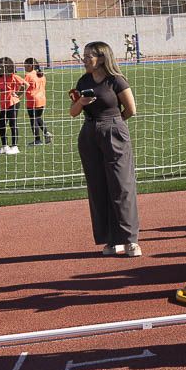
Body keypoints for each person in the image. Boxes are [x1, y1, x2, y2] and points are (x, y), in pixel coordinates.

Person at [69, 41, 140, 257]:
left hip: (113, 131)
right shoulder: (83, 81)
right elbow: (73, 112)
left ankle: (130, 240)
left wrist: (114, 124)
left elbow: (130, 110)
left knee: (121, 185)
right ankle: (110, 240)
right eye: (84, 55)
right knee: (98, 187)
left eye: (88, 55)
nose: (84, 59)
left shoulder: (116, 80)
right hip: (89, 134)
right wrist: (80, 102)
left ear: (101, 58)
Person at [0, 57, 26, 155]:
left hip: (13, 102)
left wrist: (18, 94)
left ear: (9, 67)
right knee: (1, 125)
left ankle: (15, 147)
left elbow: (25, 85)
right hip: (4, 104)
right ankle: (5, 146)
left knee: (12, 123)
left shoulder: (13, 76)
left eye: (3, 67)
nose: (1, 69)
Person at [23, 57, 52, 145]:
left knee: (33, 119)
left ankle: (37, 140)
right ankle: (47, 133)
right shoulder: (41, 74)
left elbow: (24, 86)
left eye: (25, 65)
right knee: (38, 118)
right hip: (42, 99)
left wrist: (17, 94)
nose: (24, 67)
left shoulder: (29, 75)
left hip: (33, 100)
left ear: (30, 65)